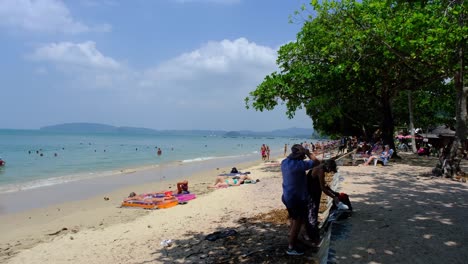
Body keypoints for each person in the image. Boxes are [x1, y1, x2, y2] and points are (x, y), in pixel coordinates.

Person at [281, 144, 319, 256]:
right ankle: (291, 247)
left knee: (293, 219)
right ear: (301, 156)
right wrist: (308, 152)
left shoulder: (284, 162)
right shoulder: (299, 165)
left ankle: (293, 240)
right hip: (296, 198)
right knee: (297, 222)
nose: (304, 158)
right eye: (303, 156)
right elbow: (317, 162)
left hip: (287, 196)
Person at [305, 159, 340, 244]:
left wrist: (333, 192)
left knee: (313, 213)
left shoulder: (319, 166)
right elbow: (323, 188)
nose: (329, 172)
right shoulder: (320, 170)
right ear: (328, 167)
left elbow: (324, 184)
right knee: (312, 215)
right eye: (330, 170)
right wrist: (334, 197)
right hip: (311, 194)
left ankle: (311, 233)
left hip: (313, 192)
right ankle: (313, 237)